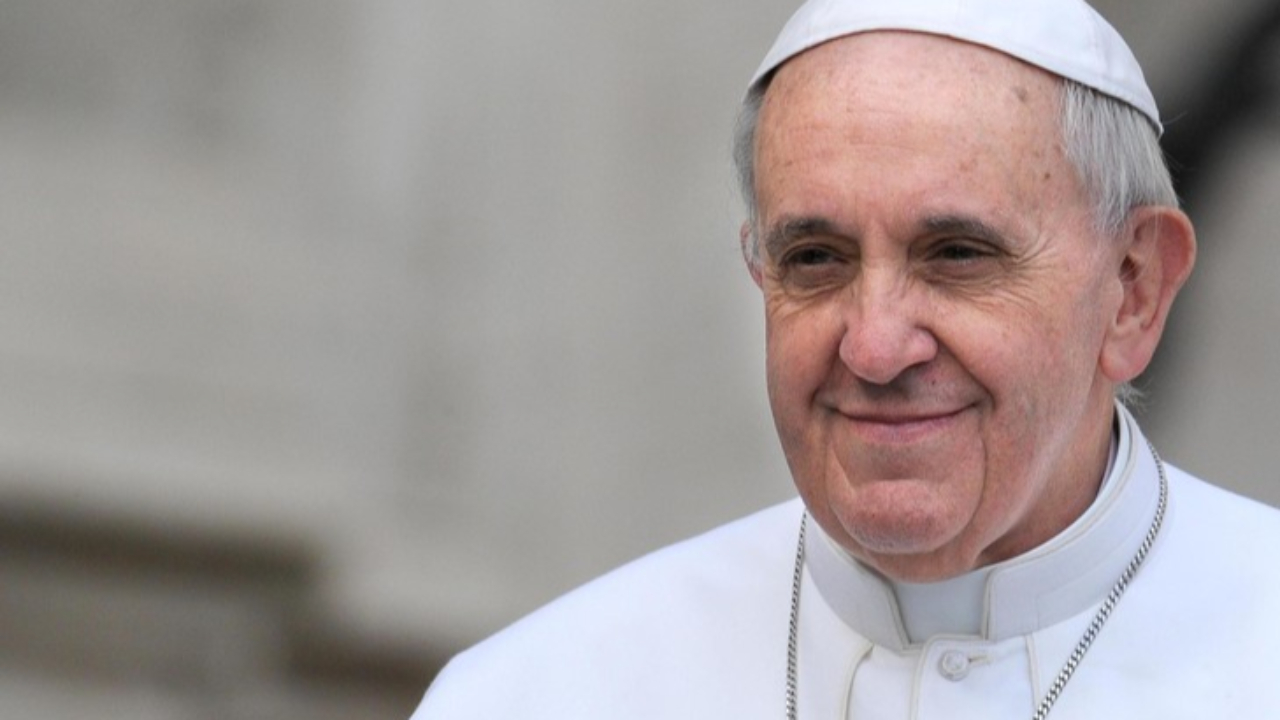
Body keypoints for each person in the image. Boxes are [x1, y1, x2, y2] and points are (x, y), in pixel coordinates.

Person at [410, 0, 1280, 717]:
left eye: (957, 255)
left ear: (1133, 290)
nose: (874, 347)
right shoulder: (534, 693)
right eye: (816, 259)